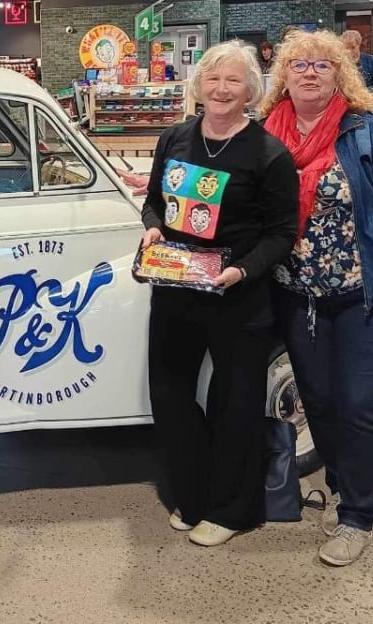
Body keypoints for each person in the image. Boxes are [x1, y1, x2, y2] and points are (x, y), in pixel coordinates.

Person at [259, 30, 373, 566]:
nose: (310, 73)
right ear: (283, 75)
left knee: (358, 405)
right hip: (297, 295)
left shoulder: (370, 133)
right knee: (322, 403)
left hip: (365, 295)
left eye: (323, 66)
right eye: (300, 65)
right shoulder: (264, 134)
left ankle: (357, 514)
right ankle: (337, 488)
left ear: (341, 75)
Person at [140, 40, 299, 547]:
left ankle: (233, 510)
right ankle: (192, 495)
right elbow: (154, 203)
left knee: (235, 402)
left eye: (233, 80)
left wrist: (244, 271)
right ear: (198, 85)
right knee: (169, 393)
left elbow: (281, 232)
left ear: (251, 89)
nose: (222, 88)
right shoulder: (175, 138)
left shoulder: (268, 152)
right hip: (176, 288)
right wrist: (153, 231)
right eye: (213, 78)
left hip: (237, 296)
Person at [341, 30, 373, 97]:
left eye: (353, 47)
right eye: (346, 48)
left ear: (359, 45)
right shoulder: (340, 62)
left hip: (367, 100)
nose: (349, 52)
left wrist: (367, 91)